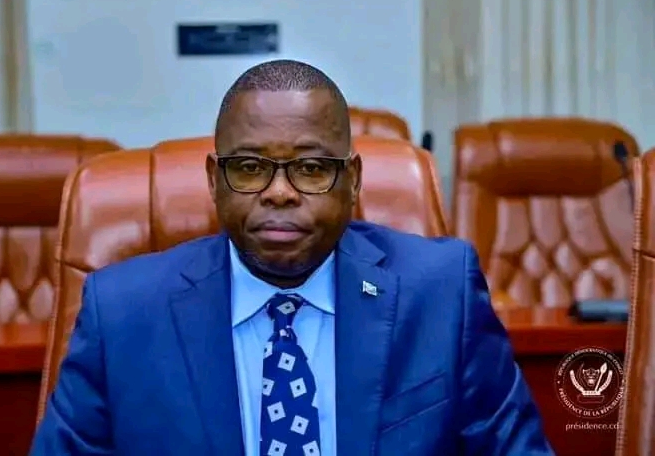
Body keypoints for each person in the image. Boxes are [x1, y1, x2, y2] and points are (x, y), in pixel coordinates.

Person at [31, 59, 554, 455]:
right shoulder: (121, 313)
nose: (279, 192)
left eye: (310, 169)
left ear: (353, 181)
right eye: (250, 167)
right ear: (214, 181)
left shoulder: (441, 294)